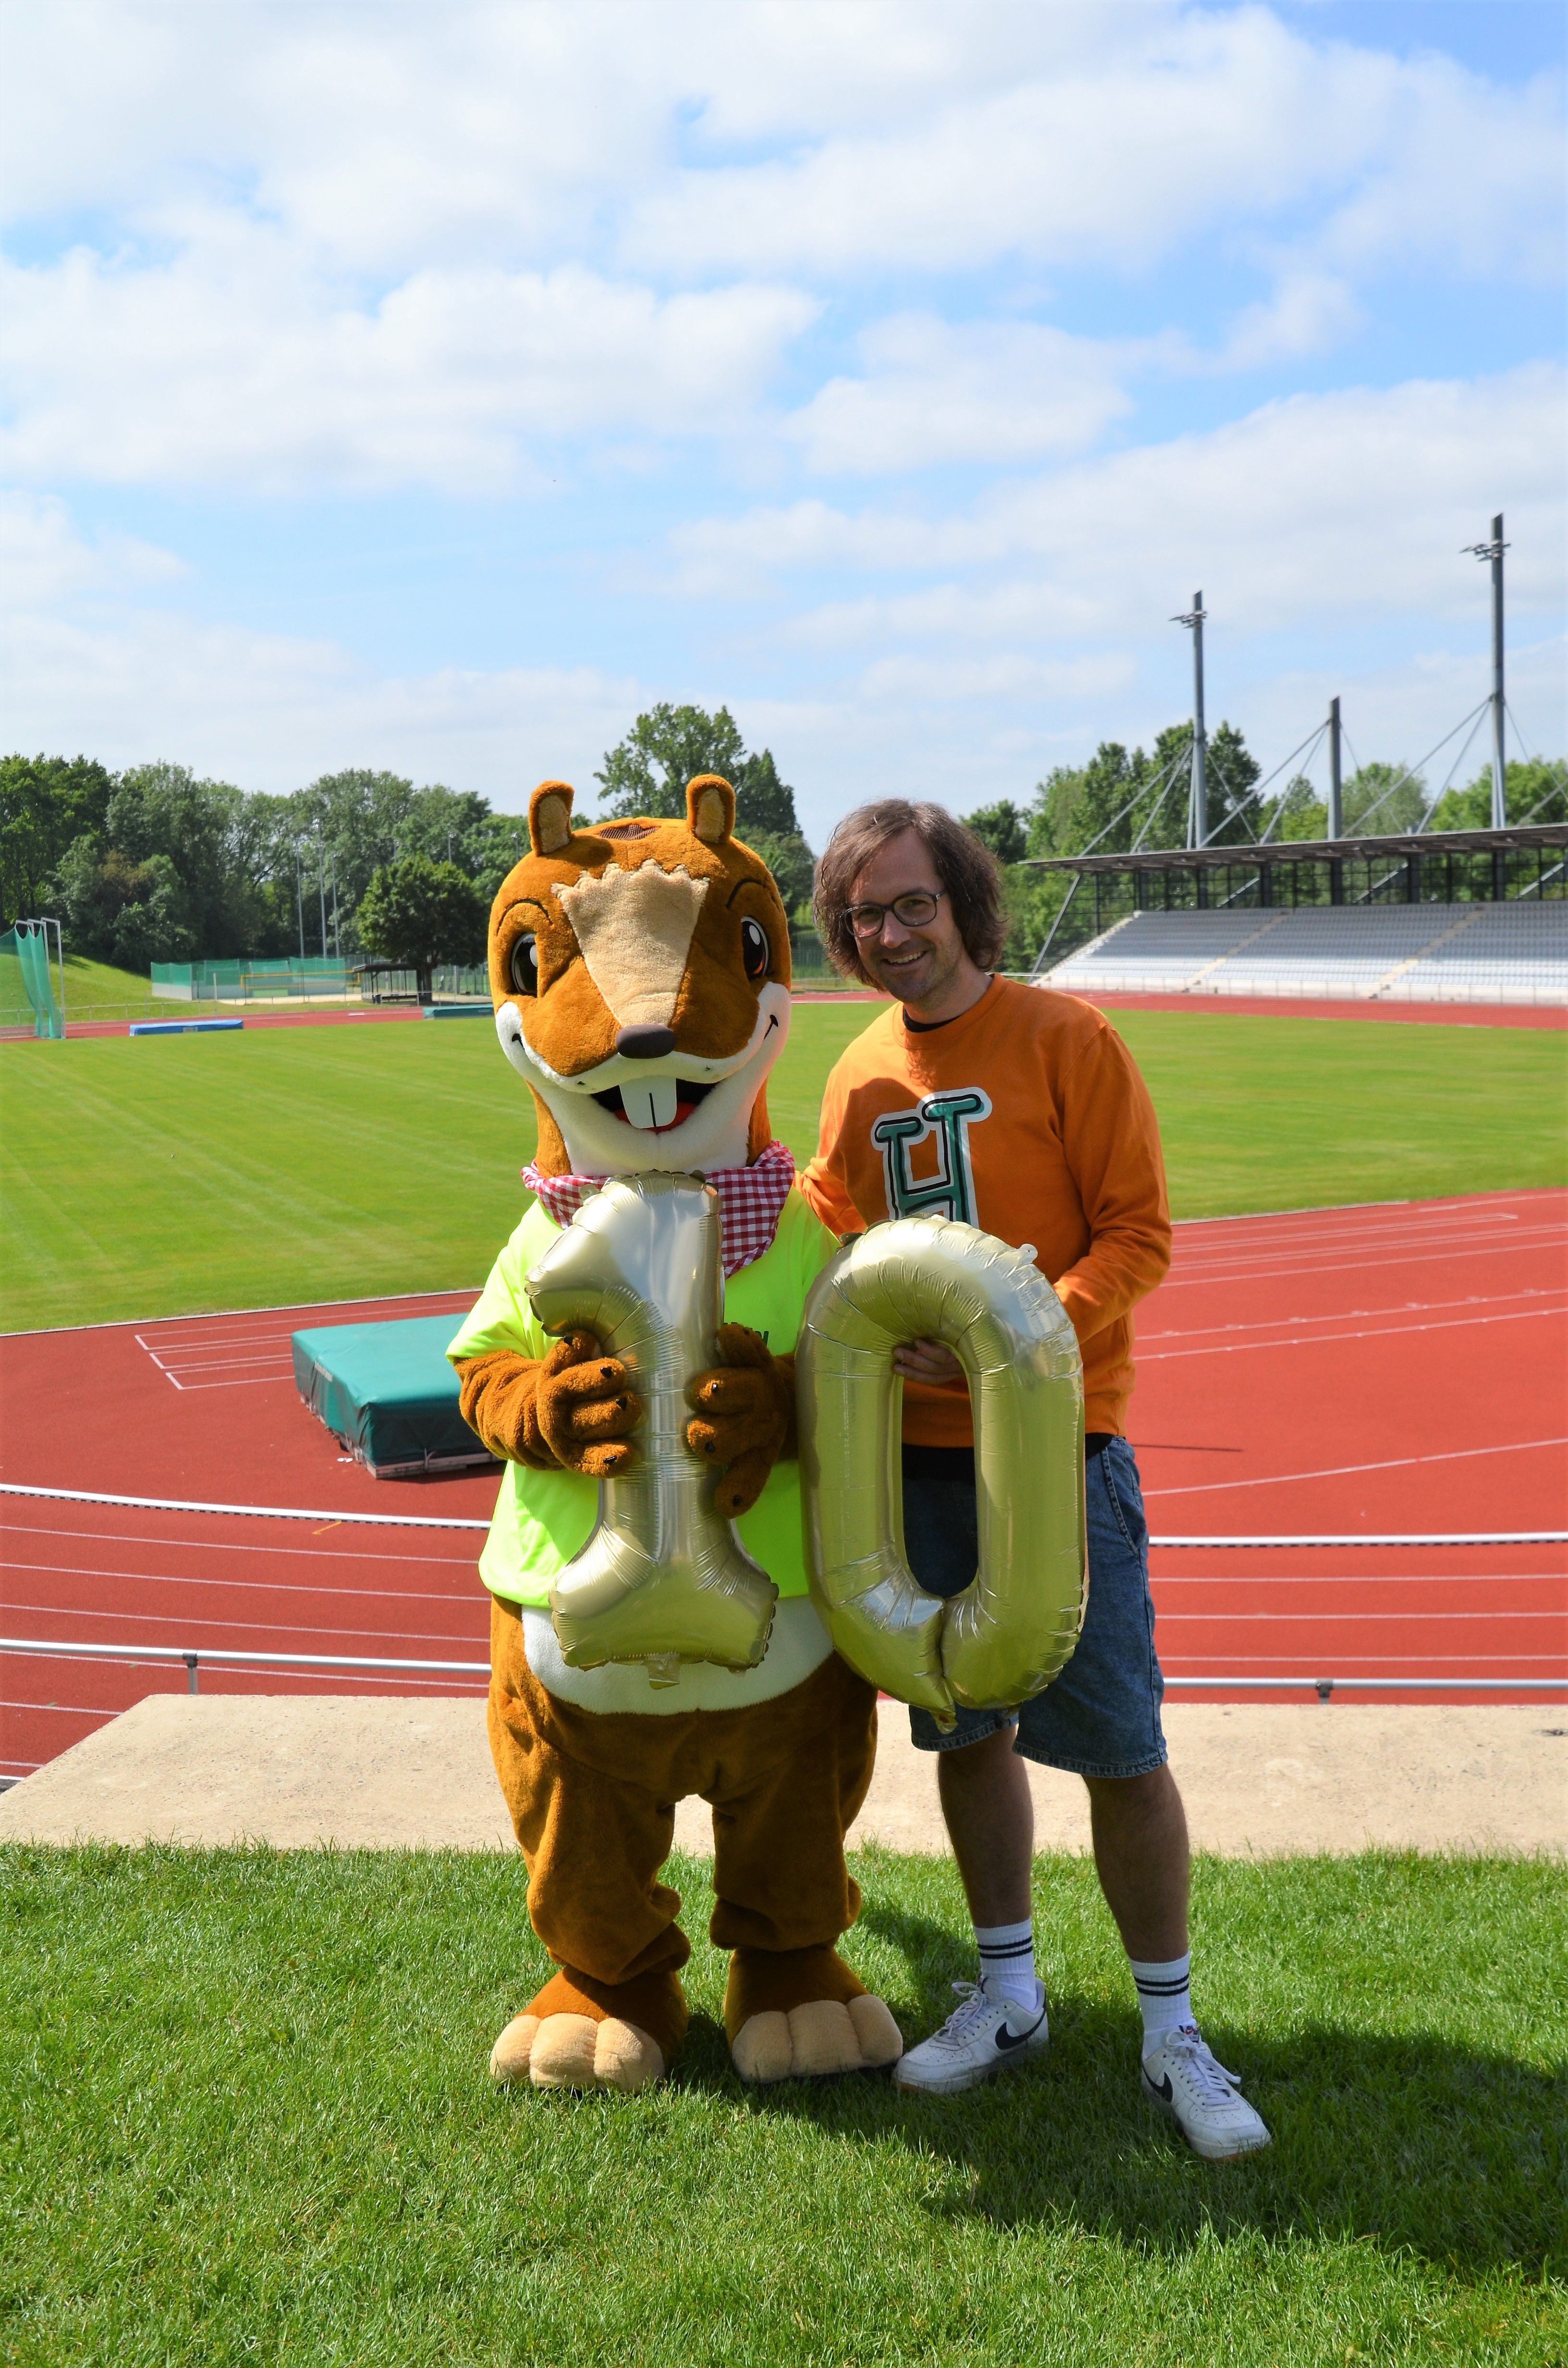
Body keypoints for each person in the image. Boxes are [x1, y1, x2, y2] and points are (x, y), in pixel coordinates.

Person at [799, 797, 1270, 2161]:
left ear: (961, 898)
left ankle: (1171, 2026)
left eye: (910, 902)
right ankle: (1007, 1992)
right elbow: (833, 1250)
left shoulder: (1070, 1038)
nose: (890, 933)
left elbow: (1140, 1230)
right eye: (865, 915)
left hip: (1060, 1458)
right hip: (917, 1468)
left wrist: (1029, 1330)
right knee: (963, 1730)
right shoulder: (857, 1076)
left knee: (1120, 1747)